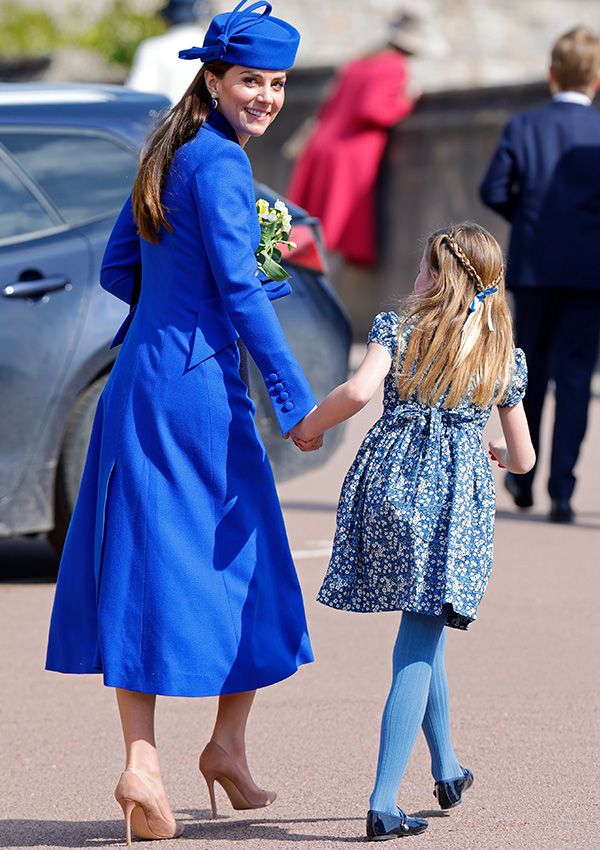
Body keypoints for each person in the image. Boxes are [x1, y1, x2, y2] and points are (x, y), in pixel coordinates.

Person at [45, 1, 320, 843]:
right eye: (252, 81)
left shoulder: (165, 152)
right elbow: (237, 292)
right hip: (199, 394)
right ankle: (225, 745)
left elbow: (118, 266)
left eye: (277, 84)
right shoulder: (226, 166)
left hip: (140, 381)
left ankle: (148, 762)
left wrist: (181, 305)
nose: (266, 97)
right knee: (258, 560)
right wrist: (295, 397)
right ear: (214, 78)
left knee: (142, 564)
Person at [292, 223, 535, 841]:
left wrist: (309, 427)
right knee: (419, 642)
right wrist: (494, 455)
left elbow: (357, 390)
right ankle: (382, 802)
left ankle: (447, 768)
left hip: (391, 489)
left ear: (439, 276)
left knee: (427, 636)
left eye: (426, 266)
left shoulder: (398, 328)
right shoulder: (500, 352)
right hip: (454, 507)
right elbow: (525, 456)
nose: (417, 274)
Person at [480, 26, 600, 524]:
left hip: (533, 267)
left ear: (551, 74)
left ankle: (521, 475)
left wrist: (528, 220)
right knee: (575, 379)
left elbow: (493, 189)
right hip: (590, 271)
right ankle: (564, 490)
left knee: (528, 373)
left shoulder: (525, 125)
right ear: (597, 79)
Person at [285, 5, 430, 267]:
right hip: (351, 153)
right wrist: (405, 102)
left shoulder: (359, 62)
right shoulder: (394, 66)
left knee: (308, 230)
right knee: (331, 231)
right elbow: (372, 109)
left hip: (323, 145)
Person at [127, 0, 213, 104]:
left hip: (165, 118)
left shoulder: (153, 48)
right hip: (206, 118)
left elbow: (138, 96)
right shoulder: (213, 47)